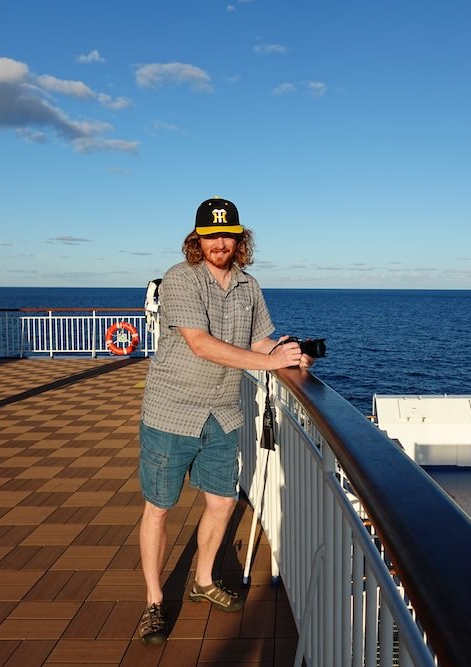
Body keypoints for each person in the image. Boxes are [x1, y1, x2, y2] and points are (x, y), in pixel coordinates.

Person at [137, 196, 314, 645]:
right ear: (197, 239)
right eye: (211, 235)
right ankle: (155, 602)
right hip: (172, 410)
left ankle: (202, 580)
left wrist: (286, 351)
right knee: (159, 507)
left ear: (240, 240)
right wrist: (269, 363)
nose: (220, 242)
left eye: (228, 236)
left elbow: (259, 340)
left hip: (223, 411)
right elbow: (200, 344)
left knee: (222, 502)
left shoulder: (249, 286)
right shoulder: (181, 279)